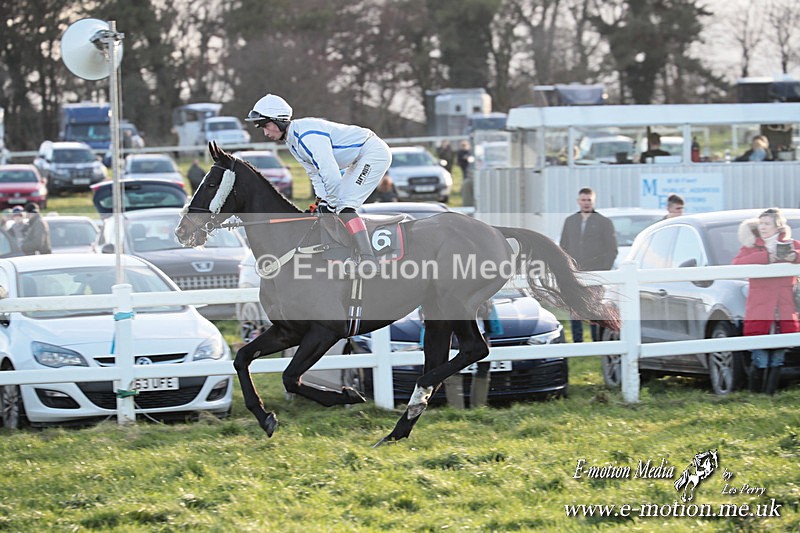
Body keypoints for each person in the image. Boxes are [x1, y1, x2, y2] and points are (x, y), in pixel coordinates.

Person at [245, 93, 391, 271]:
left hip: (373, 153)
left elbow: (330, 173)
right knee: (331, 207)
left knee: (344, 206)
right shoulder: (293, 142)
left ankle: (368, 258)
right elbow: (315, 174)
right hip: (358, 158)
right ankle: (349, 255)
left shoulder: (307, 136)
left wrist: (329, 202)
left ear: (279, 120)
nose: (266, 132)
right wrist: (321, 201)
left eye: (266, 126)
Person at [732, 208, 799, 394]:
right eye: (761, 223)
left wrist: (794, 256)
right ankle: (757, 394)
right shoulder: (750, 247)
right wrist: (766, 257)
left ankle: (770, 394)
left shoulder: (792, 244)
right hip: (759, 308)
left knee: (778, 356)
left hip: (783, 308)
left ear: (778, 226)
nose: (762, 227)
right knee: (760, 354)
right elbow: (736, 265)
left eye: (767, 223)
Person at [559, 188, 617, 342]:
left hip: (595, 273)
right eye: (583, 200)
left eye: (589, 200)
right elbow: (563, 246)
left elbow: (612, 250)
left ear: (593, 201)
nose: (586, 203)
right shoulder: (570, 221)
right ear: (578, 201)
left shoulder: (604, 222)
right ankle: (578, 342)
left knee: (594, 307)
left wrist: (603, 271)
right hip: (575, 273)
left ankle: (595, 341)